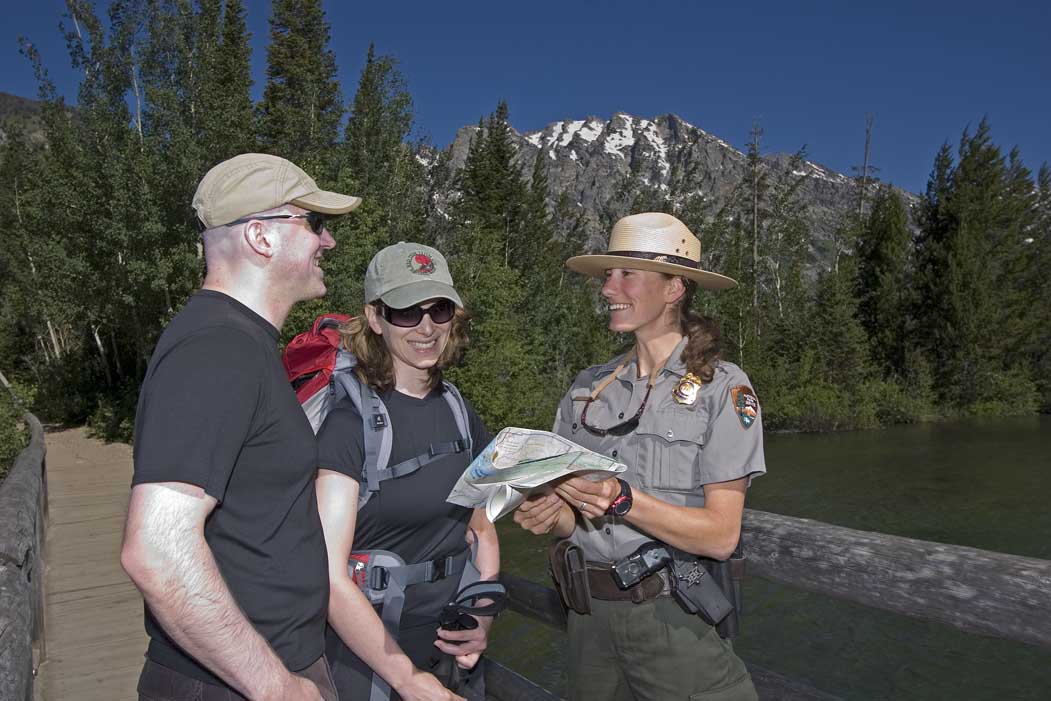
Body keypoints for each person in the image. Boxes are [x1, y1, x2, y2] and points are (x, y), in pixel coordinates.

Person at [120, 153, 361, 701]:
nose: (327, 242)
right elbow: (156, 548)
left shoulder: (239, 343)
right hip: (237, 682)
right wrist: (275, 686)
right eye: (313, 223)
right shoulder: (218, 349)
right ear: (260, 236)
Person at [513, 212, 765, 700]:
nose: (608, 288)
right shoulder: (587, 389)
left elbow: (720, 536)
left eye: (626, 274)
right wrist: (551, 514)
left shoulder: (723, 388)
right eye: (608, 275)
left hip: (672, 621)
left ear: (674, 288)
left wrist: (621, 498)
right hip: (587, 621)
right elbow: (573, 522)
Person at [315, 242, 500, 701]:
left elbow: (481, 530)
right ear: (375, 318)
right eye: (406, 312)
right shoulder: (349, 425)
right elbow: (329, 577)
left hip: (450, 655)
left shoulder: (459, 412)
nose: (426, 327)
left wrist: (481, 616)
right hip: (369, 661)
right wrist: (407, 679)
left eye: (439, 310)